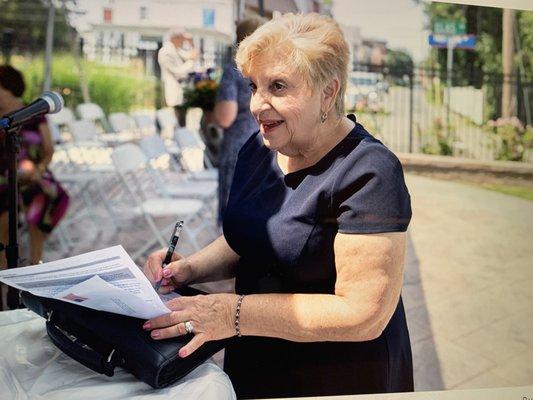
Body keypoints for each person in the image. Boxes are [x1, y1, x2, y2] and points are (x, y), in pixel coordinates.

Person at [143, 13, 413, 398]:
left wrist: (230, 313)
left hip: (336, 377)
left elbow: (363, 314)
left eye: (278, 86)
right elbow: (251, 239)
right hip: (255, 358)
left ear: (328, 92)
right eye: (254, 86)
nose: (257, 104)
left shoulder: (370, 172)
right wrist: (189, 269)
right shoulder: (260, 146)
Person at [0, 65, 70, 308]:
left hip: (35, 175)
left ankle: (34, 262)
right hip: (4, 177)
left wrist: (37, 170)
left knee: (45, 193)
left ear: (7, 88)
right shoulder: (3, 120)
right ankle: (4, 271)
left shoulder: (33, 113)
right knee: (5, 205)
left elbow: (49, 150)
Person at [214, 16, 265, 223]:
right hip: (264, 143)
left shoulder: (234, 70)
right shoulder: (267, 69)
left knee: (234, 211)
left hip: (239, 146)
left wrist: (213, 110)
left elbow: (226, 118)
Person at [158, 27, 198, 128]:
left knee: (182, 123)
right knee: (176, 123)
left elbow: (192, 55)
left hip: (182, 94)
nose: (184, 41)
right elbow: (179, 72)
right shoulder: (166, 52)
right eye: (182, 38)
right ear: (176, 38)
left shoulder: (176, 50)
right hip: (174, 93)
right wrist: (191, 61)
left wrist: (192, 43)